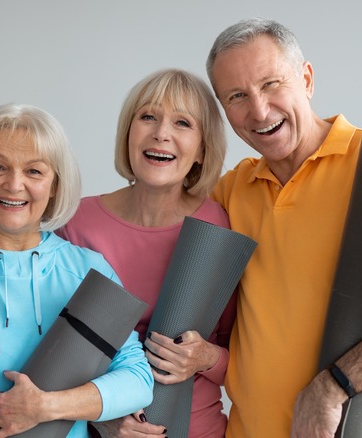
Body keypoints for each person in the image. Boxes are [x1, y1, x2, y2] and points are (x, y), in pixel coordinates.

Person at [0, 103, 154, 437]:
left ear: (54, 184)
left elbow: (137, 380)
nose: (14, 185)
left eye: (34, 171)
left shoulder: (86, 269)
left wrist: (45, 407)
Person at [206, 18, 362, 437]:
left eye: (271, 83)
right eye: (237, 96)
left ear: (306, 79)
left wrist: (335, 385)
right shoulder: (231, 191)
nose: (259, 110)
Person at [58, 68, 232, 437]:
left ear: (202, 149)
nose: (161, 133)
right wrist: (102, 418)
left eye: (182, 122)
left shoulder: (218, 225)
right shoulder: (77, 223)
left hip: (197, 429)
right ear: (128, 134)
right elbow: (58, 352)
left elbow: (242, 354)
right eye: (148, 117)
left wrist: (205, 357)